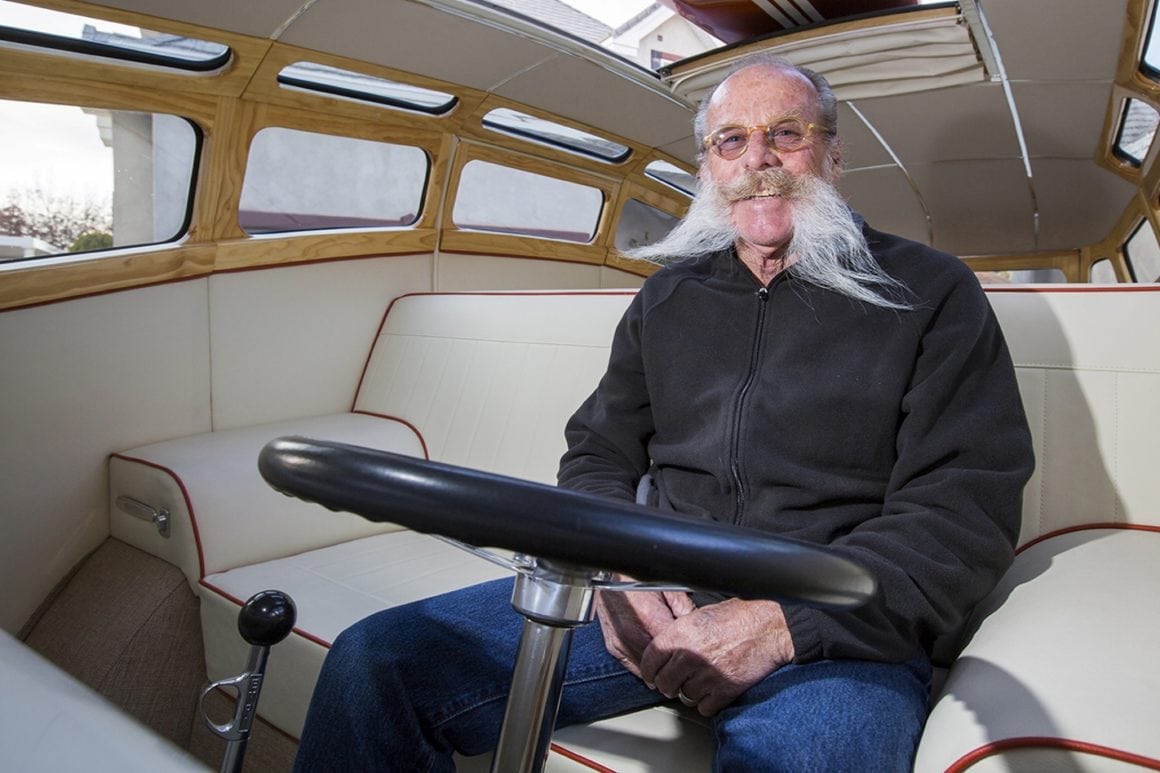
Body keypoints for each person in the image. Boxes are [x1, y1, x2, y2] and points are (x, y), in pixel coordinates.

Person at [293, 54, 1034, 772]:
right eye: (731, 141)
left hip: (836, 626)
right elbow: (598, 452)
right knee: (376, 662)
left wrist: (786, 623)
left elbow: (962, 510)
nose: (758, 159)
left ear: (833, 155)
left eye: (786, 133)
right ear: (709, 167)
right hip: (656, 596)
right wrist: (617, 568)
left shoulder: (929, 291)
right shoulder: (669, 296)